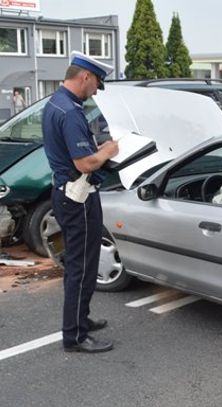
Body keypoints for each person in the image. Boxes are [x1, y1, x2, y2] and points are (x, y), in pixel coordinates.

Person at [42, 51, 119, 353]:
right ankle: (74, 335)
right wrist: (108, 152)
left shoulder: (57, 103)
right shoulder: (71, 112)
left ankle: (81, 320)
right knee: (82, 267)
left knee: (82, 264)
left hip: (67, 192)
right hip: (78, 197)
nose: (97, 90)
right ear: (84, 76)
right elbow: (85, 163)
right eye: (97, 82)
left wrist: (96, 150)